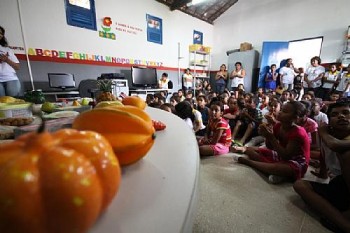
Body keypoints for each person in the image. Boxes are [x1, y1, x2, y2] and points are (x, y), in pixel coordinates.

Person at [293, 101, 350, 233]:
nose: (341, 116)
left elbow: (334, 145)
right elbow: (324, 153)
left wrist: (323, 133)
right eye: (335, 114)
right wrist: (323, 172)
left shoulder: (328, 136)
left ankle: (343, 223)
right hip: (340, 185)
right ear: (330, 121)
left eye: (346, 113)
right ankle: (341, 219)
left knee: (347, 154)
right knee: (300, 185)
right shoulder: (329, 136)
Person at [231, 101, 310, 184]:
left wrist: (271, 137)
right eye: (282, 110)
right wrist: (267, 135)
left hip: (296, 161)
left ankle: (250, 163)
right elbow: (270, 147)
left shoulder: (298, 132)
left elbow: (286, 156)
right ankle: (278, 173)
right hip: (281, 156)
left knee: (280, 168)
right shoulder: (278, 125)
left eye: (285, 112)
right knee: (250, 150)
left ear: (295, 118)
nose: (280, 113)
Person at [0, 26, 21, 97]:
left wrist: (7, 60)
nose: (0, 34)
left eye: (1, 33)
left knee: (13, 103)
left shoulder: (7, 49)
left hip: (11, 79)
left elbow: (17, 67)